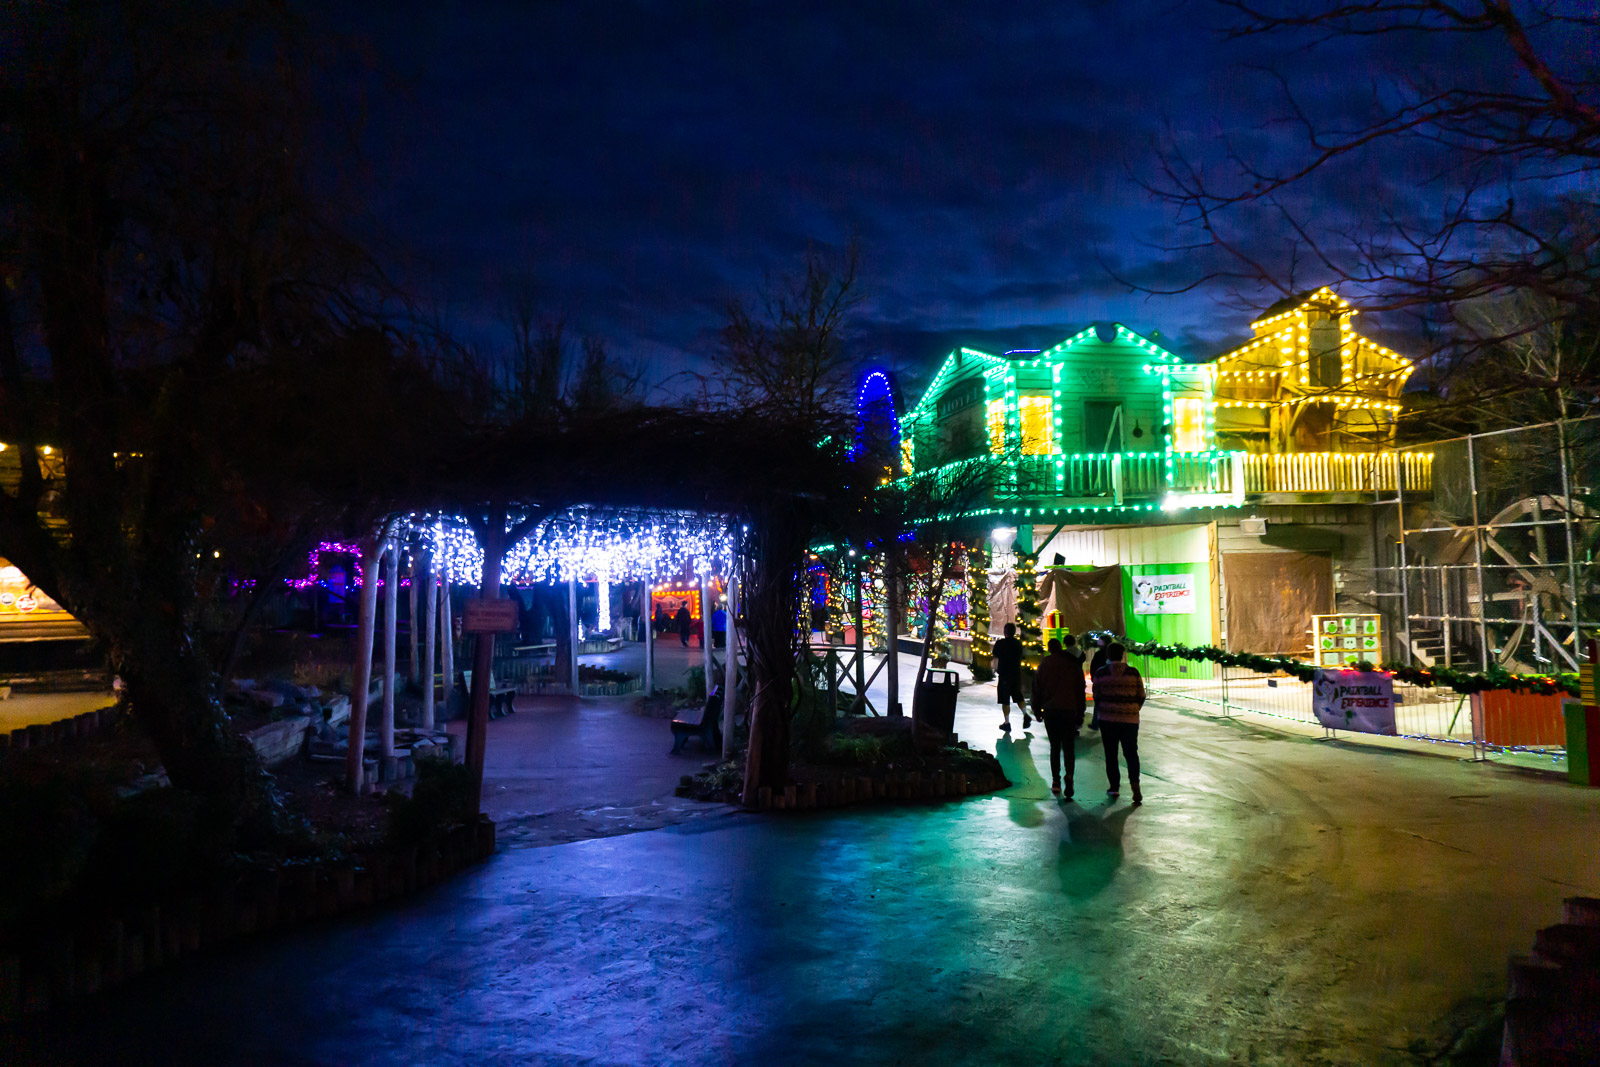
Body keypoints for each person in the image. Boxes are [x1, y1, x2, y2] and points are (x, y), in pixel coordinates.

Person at [1091, 642, 1146, 804]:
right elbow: (1141, 695)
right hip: (1130, 720)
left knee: (1111, 754)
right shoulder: (1133, 673)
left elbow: (1097, 695)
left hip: (1107, 719)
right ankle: (1135, 787)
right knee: (1131, 753)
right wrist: (1133, 710)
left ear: (1108, 655)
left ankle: (1114, 787)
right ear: (1122, 655)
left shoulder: (1101, 673)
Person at [1032, 636, 1087, 798]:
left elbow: (1037, 689)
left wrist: (1036, 710)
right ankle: (1069, 776)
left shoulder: (1044, 666)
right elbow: (1080, 690)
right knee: (1069, 747)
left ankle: (1056, 781)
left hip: (1050, 711)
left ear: (1049, 649)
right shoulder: (1072, 665)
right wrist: (1080, 712)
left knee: (1055, 747)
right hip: (1069, 710)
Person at [991, 621, 1029, 732]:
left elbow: (996, 658)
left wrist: (995, 668)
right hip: (1016, 674)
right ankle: (1025, 714)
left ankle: (1007, 723)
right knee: (1018, 696)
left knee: (1005, 699)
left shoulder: (1000, 643)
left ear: (1004, 632)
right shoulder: (1018, 644)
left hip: (1004, 675)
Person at [1086, 632, 1114, 731]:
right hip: (1108, 683)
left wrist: (1094, 679)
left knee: (1098, 703)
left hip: (1100, 682)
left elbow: (1093, 667)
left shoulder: (1099, 654)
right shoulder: (1110, 654)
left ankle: (1096, 723)